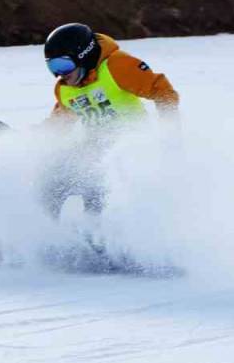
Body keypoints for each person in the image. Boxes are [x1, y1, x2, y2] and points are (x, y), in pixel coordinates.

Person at [37, 22, 180, 217]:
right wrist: (18, 140)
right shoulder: (65, 89)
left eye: (63, 64)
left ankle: (103, 237)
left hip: (129, 148)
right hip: (93, 149)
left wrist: (169, 131)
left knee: (96, 186)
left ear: (84, 56)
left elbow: (162, 91)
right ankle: (46, 236)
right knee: (51, 182)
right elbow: (57, 125)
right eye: (52, 66)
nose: (60, 74)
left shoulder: (116, 66)